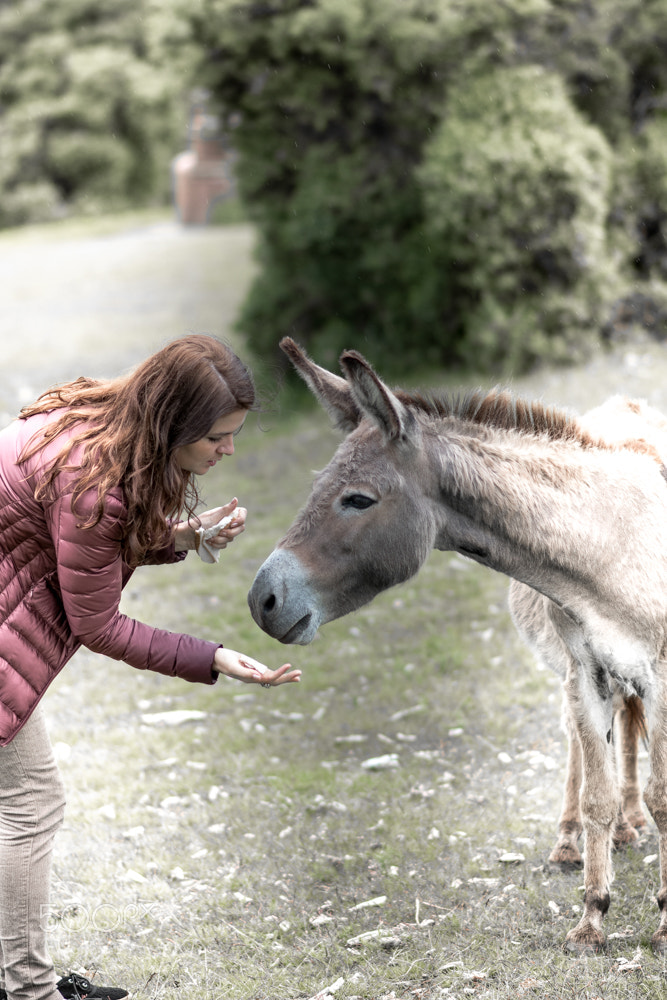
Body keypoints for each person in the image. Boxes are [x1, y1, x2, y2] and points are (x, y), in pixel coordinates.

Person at [0, 334, 300, 1000]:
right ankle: (27, 990)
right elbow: (98, 623)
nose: (227, 451)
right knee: (31, 804)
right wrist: (214, 656)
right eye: (218, 438)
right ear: (174, 426)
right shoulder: (94, 482)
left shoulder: (95, 420)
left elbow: (82, 537)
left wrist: (184, 537)